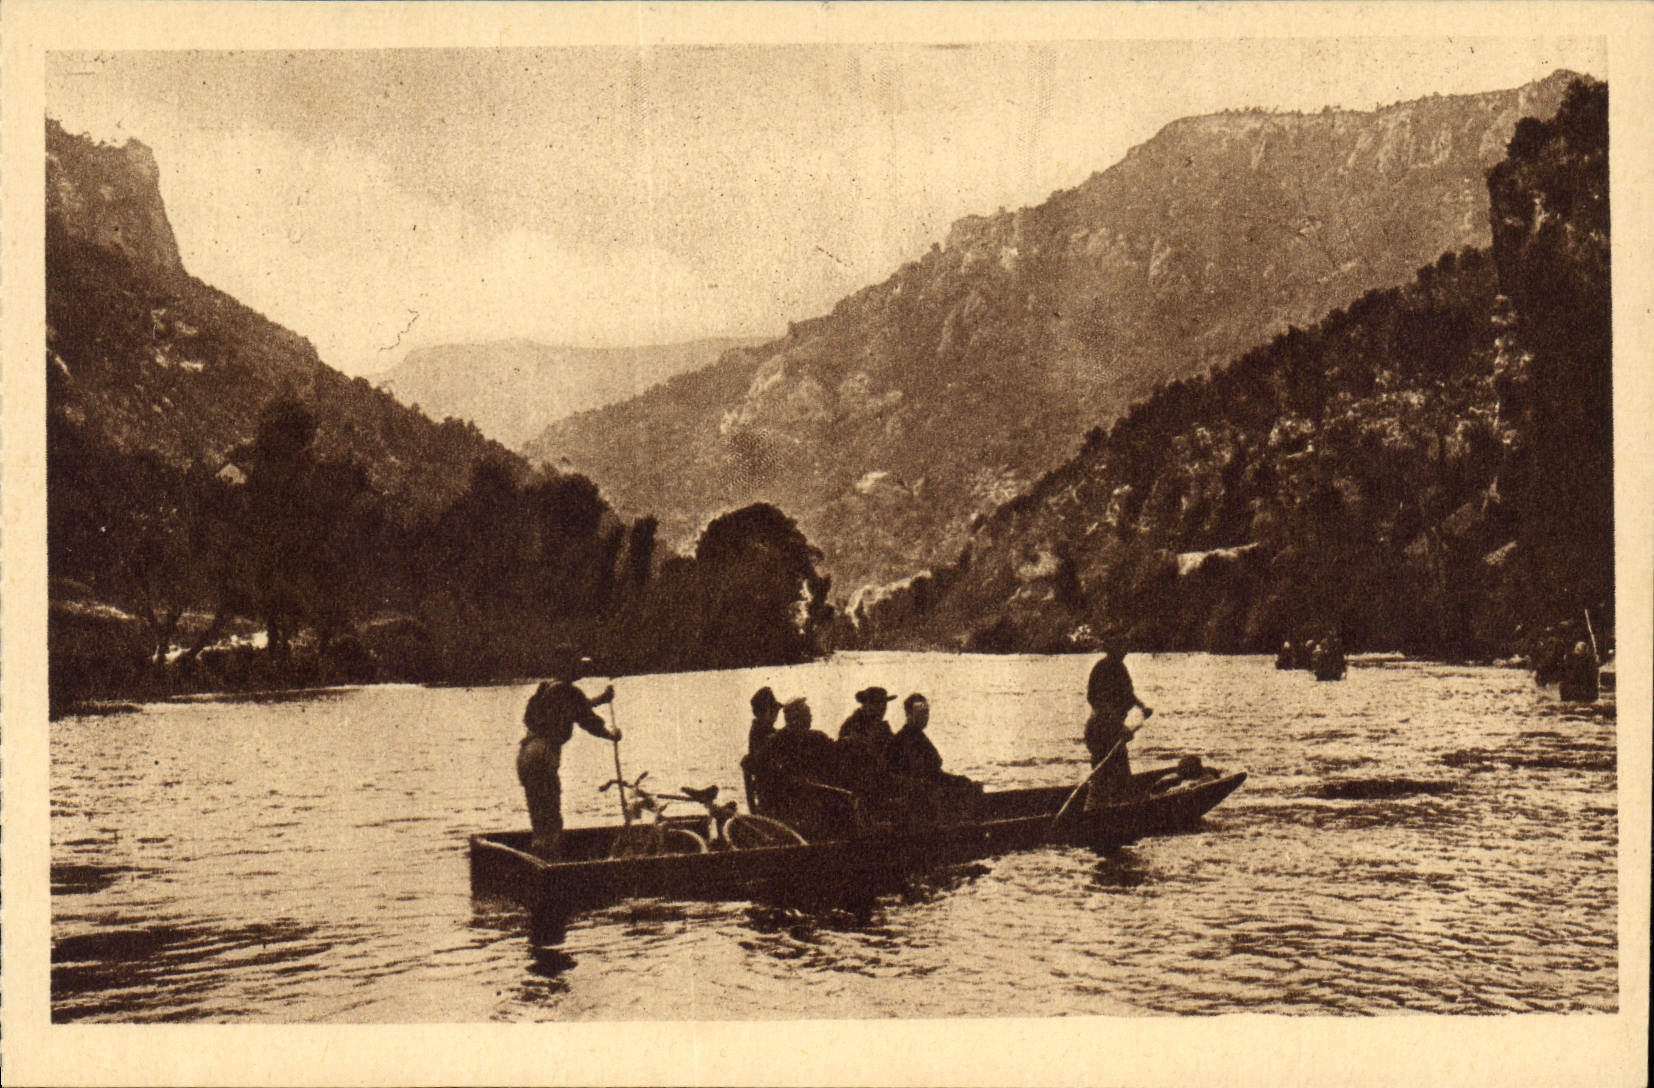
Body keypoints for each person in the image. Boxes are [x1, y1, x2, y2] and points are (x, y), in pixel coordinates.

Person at [517, 648, 620, 860]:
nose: (582, 668)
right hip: (544, 754)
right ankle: (552, 865)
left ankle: (541, 854)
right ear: (569, 667)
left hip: (527, 752)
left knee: (539, 812)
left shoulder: (546, 688)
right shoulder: (569, 693)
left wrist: (600, 699)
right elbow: (587, 720)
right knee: (551, 813)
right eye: (578, 664)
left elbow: (573, 708)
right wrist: (611, 735)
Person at [751, 698, 840, 839]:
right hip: (789, 809)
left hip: (803, 802)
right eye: (808, 714)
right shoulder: (777, 743)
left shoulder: (815, 738)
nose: (811, 718)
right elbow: (769, 782)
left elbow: (835, 755)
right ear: (797, 719)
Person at [886, 693, 981, 824]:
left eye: (926, 712)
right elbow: (894, 774)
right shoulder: (900, 740)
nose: (925, 717)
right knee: (940, 790)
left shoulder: (919, 737)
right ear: (909, 715)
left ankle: (965, 822)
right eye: (920, 713)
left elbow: (935, 766)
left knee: (965, 783)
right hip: (913, 789)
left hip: (928, 782)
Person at [1083, 647, 1152, 812]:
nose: (1125, 650)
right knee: (1105, 773)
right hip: (1100, 729)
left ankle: (1112, 806)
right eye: (1121, 646)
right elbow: (1099, 703)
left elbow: (1128, 695)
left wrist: (1142, 707)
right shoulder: (1102, 668)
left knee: (1119, 774)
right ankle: (1095, 811)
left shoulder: (1120, 668)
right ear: (1112, 649)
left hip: (1113, 729)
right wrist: (1119, 726)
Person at [835, 686, 899, 801]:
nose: (882, 708)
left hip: (879, 777)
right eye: (877, 704)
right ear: (867, 705)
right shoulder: (853, 724)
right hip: (860, 781)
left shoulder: (882, 727)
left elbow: (895, 748)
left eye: (884, 704)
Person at [740, 687, 783, 811]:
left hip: (766, 791)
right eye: (774, 711)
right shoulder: (764, 734)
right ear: (765, 712)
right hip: (769, 793)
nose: (776, 715)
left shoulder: (761, 730)